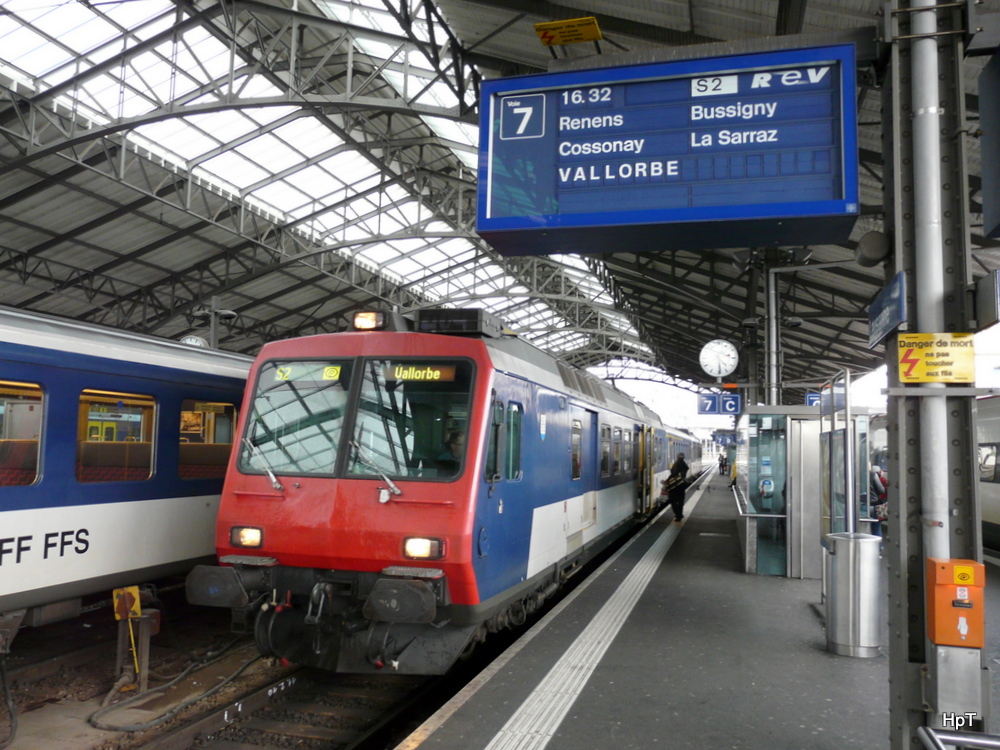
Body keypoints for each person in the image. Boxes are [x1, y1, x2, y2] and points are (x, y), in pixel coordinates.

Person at [663, 452, 690, 523]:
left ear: (678, 457)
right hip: (682, 485)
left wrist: (667, 480)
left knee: (673, 501)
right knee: (680, 501)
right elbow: (686, 469)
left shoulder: (677, 463)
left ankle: (678, 515)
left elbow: (673, 473)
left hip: (675, 486)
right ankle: (680, 514)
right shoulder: (684, 464)